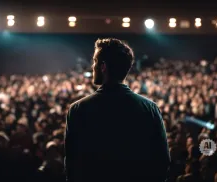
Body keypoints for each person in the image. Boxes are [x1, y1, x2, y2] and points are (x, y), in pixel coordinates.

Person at [64, 38, 171, 182]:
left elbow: (72, 164)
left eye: (95, 61)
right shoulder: (149, 109)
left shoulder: (78, 110)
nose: (92, 66)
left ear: (103, 66)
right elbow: (162, 160)